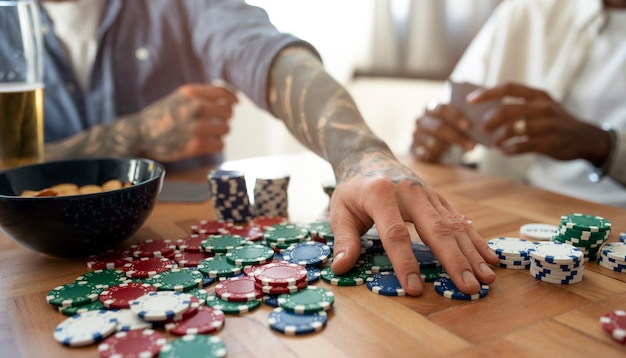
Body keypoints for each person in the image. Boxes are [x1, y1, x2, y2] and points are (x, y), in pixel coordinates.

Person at [23, 0, 499, 296]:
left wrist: (361, 155)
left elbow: (270, 58)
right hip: (26, 257)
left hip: (182, 232)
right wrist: (135, 135)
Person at [411, 0, 626, 208]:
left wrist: (601, 145)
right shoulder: (523, 11)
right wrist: (436, 139)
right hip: (505, 203)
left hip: (611, 219)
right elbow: (450, 119)